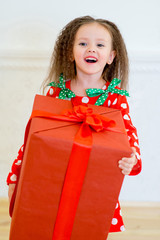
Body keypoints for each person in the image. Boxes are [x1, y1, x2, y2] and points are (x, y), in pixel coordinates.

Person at [7, 15, 142, 234]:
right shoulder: (56, 92)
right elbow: (35, 136)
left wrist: (132, 157)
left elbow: (128, 134)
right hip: (53, 179)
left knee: (86, 228)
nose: (91, 49)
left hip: (94, 185)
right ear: (71, 53)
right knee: (43, 226)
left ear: (110, 56)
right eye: (83, 44)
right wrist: (16, 172)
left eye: (100, 45)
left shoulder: (115, 99)